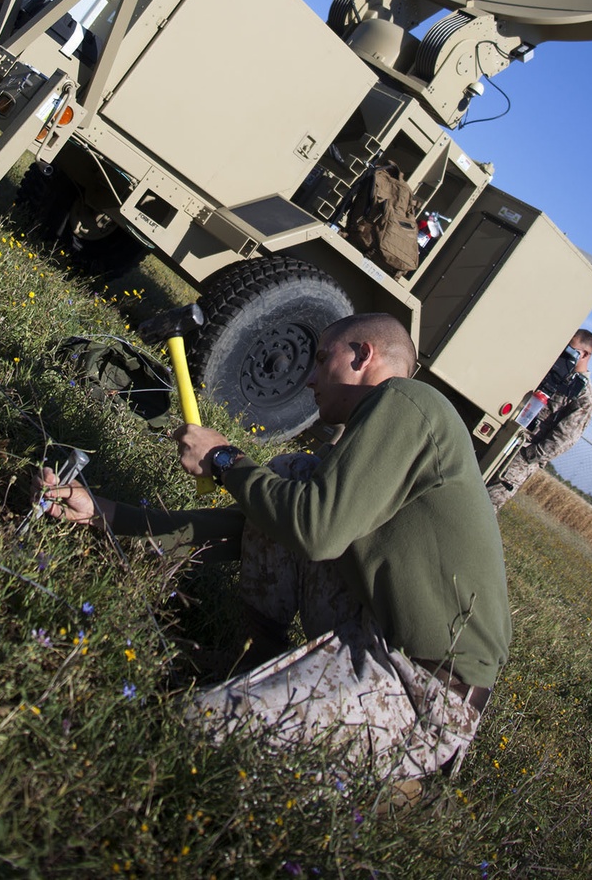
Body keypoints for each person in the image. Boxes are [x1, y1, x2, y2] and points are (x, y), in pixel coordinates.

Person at [40, 311, 511, 786]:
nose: (310, 378)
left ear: (363, 355)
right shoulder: (374, 433)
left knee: (191, 736)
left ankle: (404, 785)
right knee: (289, 479)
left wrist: (224, 459)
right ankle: (256, 660)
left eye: (323, 357)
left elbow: (314, 531)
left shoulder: (408, 400)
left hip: (424, 690)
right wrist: (105, 513)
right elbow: (255, 526)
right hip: (375, 634)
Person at [486, 328, 592, 511]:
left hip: (516, 462)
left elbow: (564, 439)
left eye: (570, 347)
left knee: (484, 509)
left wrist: (526, 455)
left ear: (584, 354)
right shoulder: (551, 369)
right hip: (500, 436)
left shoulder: (584, 396)